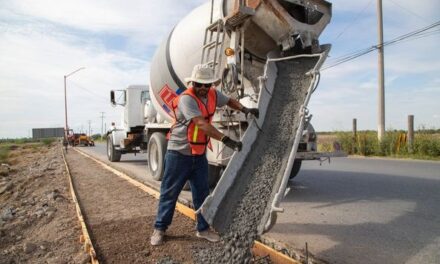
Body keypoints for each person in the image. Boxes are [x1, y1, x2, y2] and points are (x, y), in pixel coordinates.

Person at [150, 64, 259, 246]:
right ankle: (159, 229)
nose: (202, 88)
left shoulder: (213, 94)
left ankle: (203, 229)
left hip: (199, 153)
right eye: (199, 84)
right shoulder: (187, 99)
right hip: (178, 154)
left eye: (206, 85)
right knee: (170, 193)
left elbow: (229, 101)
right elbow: (200, 123)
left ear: (210, 85)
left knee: (202, 193)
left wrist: (245, 109)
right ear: (192, 82)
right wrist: (226, 140)